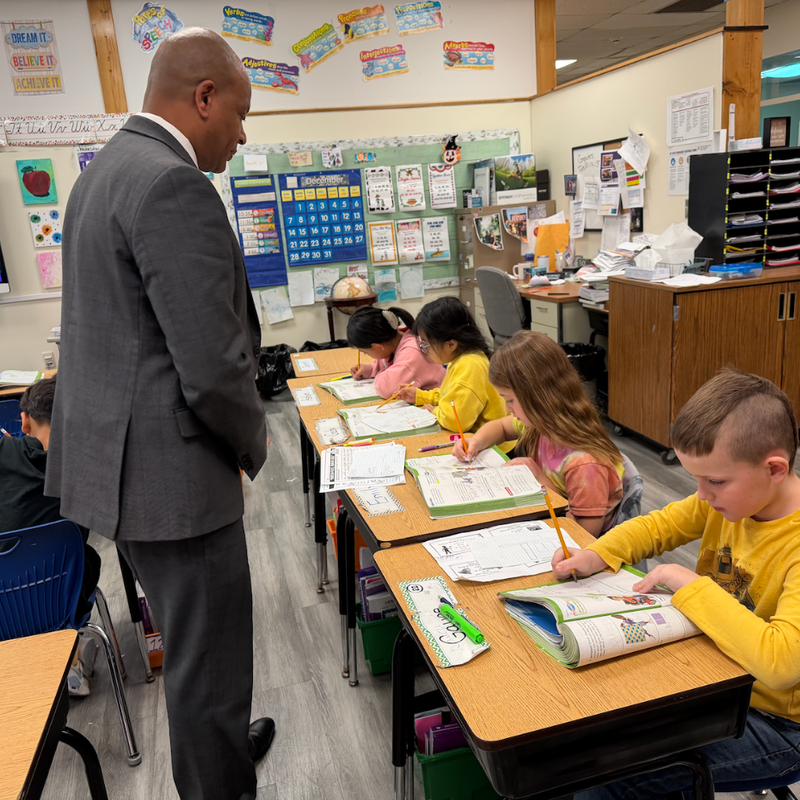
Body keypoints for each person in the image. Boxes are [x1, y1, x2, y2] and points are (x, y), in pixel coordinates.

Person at [45, 28, 273, 800]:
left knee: (189, 650)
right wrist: (253, 447)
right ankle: (220, 780)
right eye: (239, 115)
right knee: (210, 674)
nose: (242, 135)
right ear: (203, 96)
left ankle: (218, 752)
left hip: (122, 476)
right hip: (175, 482)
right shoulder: (174, 185)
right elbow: (213, 368)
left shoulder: (104, 172)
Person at [552, 370, 800, 799]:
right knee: (587, 727)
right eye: (696, 480)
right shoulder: (728, 502)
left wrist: (686, 583)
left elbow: (780, 665)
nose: (702, 496)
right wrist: (596, 553)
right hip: (714, 681)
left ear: (774, 468)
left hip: (778, 724)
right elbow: (657, 527)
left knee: (604, 779)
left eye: (715, 481)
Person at [454, 331, 624, 536]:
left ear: (537, 398)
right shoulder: (542, 425)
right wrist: (476, 441)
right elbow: (500, 427)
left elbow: (585, 535)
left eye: (509, 400)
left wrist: (537, 476)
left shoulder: (585, 464)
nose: (508, 409)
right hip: (544, 519)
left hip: (571, 543)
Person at [1, 376, 101, 696]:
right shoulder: (89, 469)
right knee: (87, 558)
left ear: (25, 421)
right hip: (57, 607)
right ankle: (69, 654)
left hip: (3, 617)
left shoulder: (6, 452)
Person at [397, 296, 506, 435]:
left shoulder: (470, 366)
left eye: (426, 344)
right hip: (482, 440)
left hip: (496, 449)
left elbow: (456, 422)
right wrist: (420, 396)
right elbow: (450, 395)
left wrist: (433, 411)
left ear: (451, 344)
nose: (425, 349)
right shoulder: (463, 358)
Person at [347, 306, 445, 398]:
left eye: (366, 352)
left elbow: (387, 389)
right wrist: (369, 370)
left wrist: (380, 374)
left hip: (439, 401)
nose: (368, 355)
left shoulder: (411, 354)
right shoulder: (394, 337)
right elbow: (388, 365)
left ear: (378, 346)